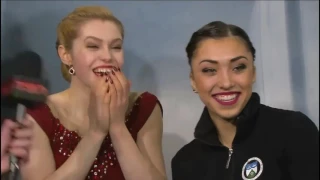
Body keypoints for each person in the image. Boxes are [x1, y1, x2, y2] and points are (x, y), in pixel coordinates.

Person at [19, 6, 166, 180]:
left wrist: (118, 127)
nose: (107, 56)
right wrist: (96, 133)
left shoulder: (145, 107)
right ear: (66, 55)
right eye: (93, 46)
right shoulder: (38, 114)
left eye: (116, 47)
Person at [171, 21, 319, 180]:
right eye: (209, 70)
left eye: (238, 67)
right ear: (193, 81)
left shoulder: (294, 130)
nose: (226, 83)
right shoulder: (184, 162)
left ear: (253, 73)